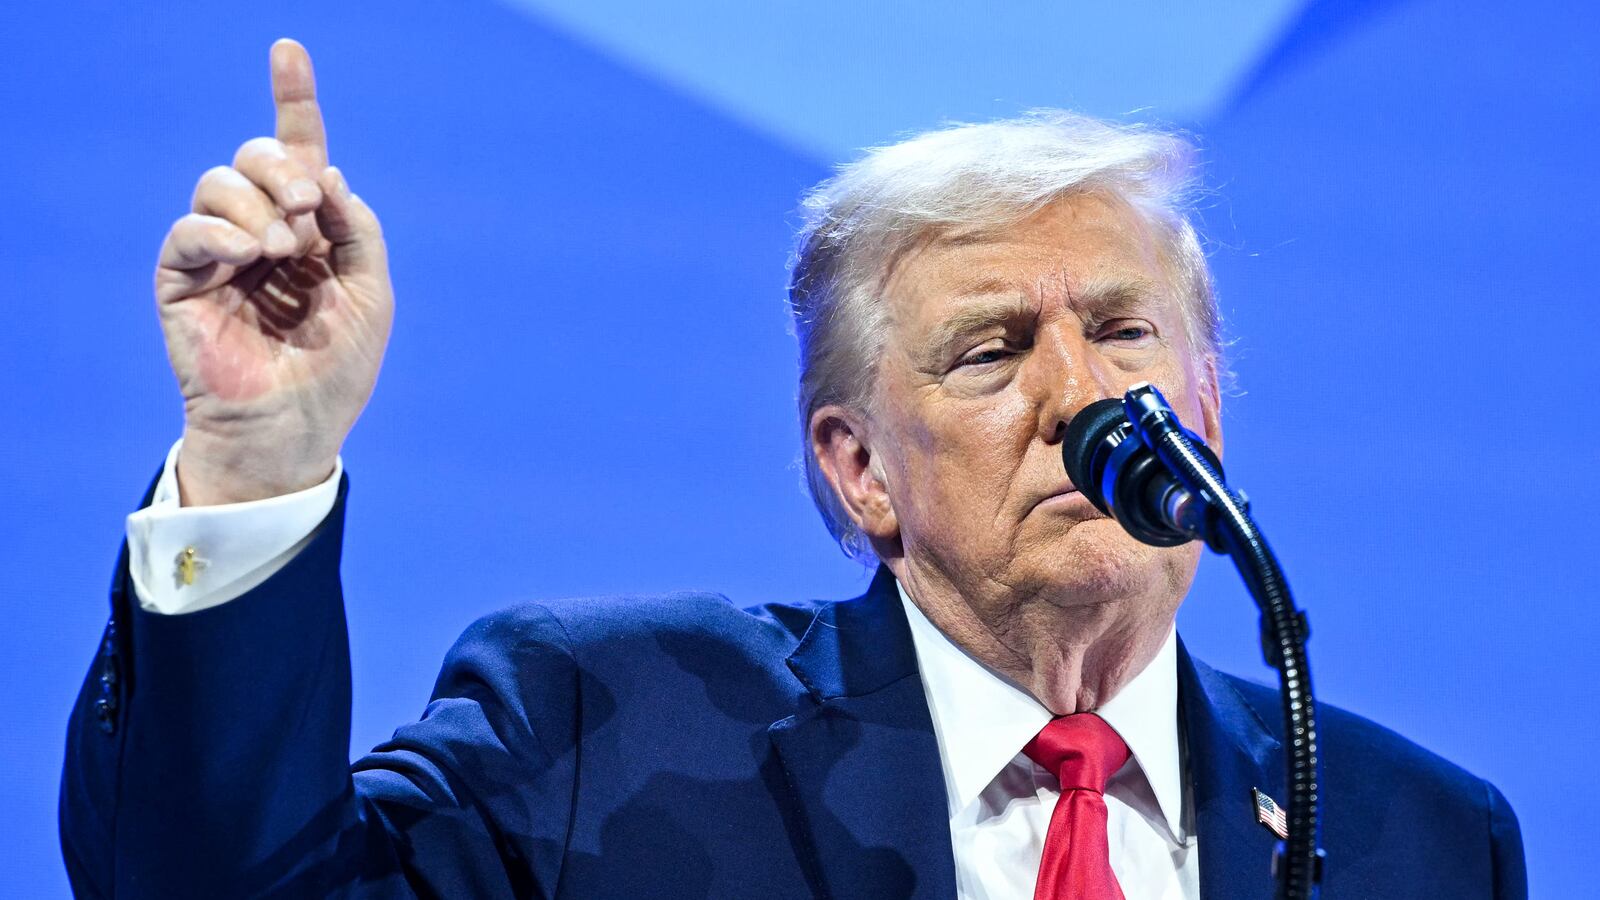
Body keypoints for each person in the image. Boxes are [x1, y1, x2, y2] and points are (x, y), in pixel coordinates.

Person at [60, 39, 1526, 899]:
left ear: (1206, 403)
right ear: (857, 469)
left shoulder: (1421, 840)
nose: (1086, 400)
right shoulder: (605, 731)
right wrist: (258, 458)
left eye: (1127, 333)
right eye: (992, 349)